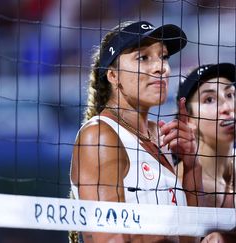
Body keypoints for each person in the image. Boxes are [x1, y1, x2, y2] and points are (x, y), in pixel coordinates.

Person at [69, 20, 203, 243]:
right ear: (113, 76)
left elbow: (191, 236)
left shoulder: (162, 136)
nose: (161, 67)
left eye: (164, 56)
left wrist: (191, 165)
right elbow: (109, 238)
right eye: (143, 57)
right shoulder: (100, 136)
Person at [176, 63, 236, 209]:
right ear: (188, 118)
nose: (227, 108)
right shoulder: (177, 181)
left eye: (230, 95)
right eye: (209, 99)